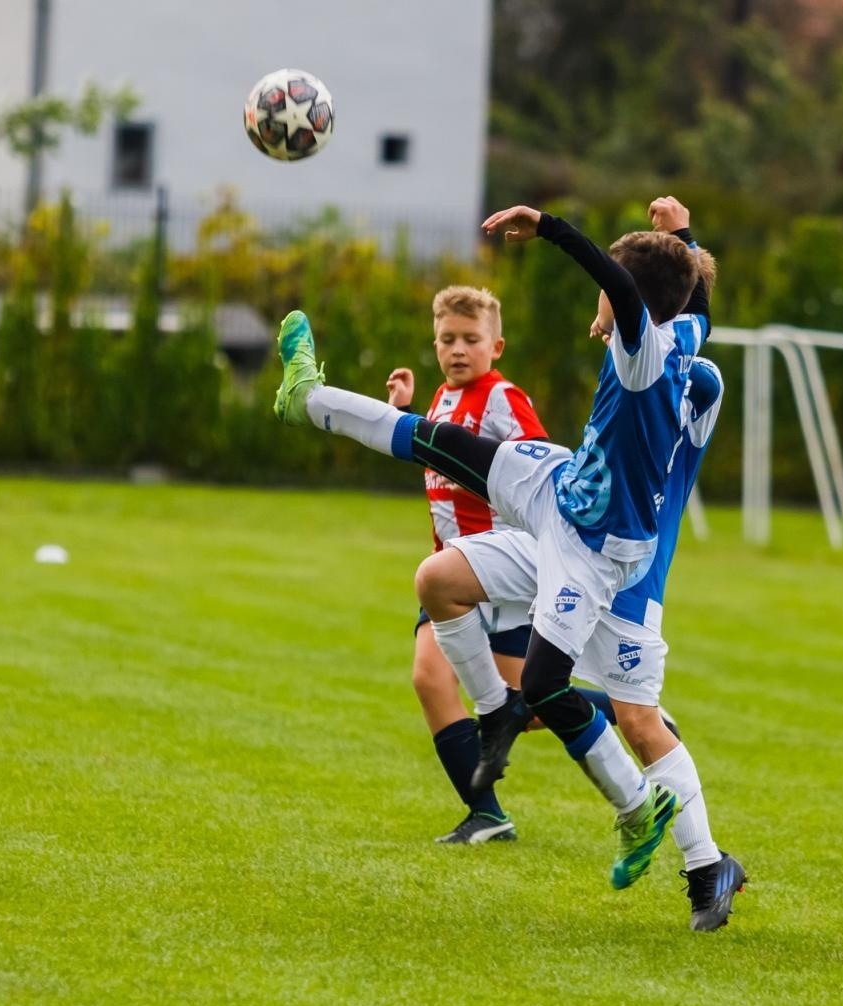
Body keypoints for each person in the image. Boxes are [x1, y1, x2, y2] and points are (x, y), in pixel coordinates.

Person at [271, 195, 710, 890]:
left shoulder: (644, 352)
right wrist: (682, 236)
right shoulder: (684, 334)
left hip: (587, 542)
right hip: (560, 487)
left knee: (544, 688)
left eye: (609, 293)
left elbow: (625, 288)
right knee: (431, 449)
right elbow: (694, 301)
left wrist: (550, 229)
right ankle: (308, 398)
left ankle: (636, 807)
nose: (600, 303)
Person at [418, 353, 746, 930]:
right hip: (570, 546)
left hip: (632, 579)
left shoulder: (689, 377)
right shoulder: (633, 367)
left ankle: (708, 866)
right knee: (447, 588)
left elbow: (681, 361)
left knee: (638, 722)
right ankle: (499, 713)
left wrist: (655, 325)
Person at [388, 285, 545, 846]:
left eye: (471, 339)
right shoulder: (440, 398)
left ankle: (629, 711)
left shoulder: (502, 397)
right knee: (429, 678)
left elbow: (540, 469)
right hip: (448, 575)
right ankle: (486, 814)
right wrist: (405, 415)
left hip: (498, 575)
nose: (458, 349)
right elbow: (435, 456)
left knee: (528, 706)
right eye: (447, 339)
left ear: (495, 346)